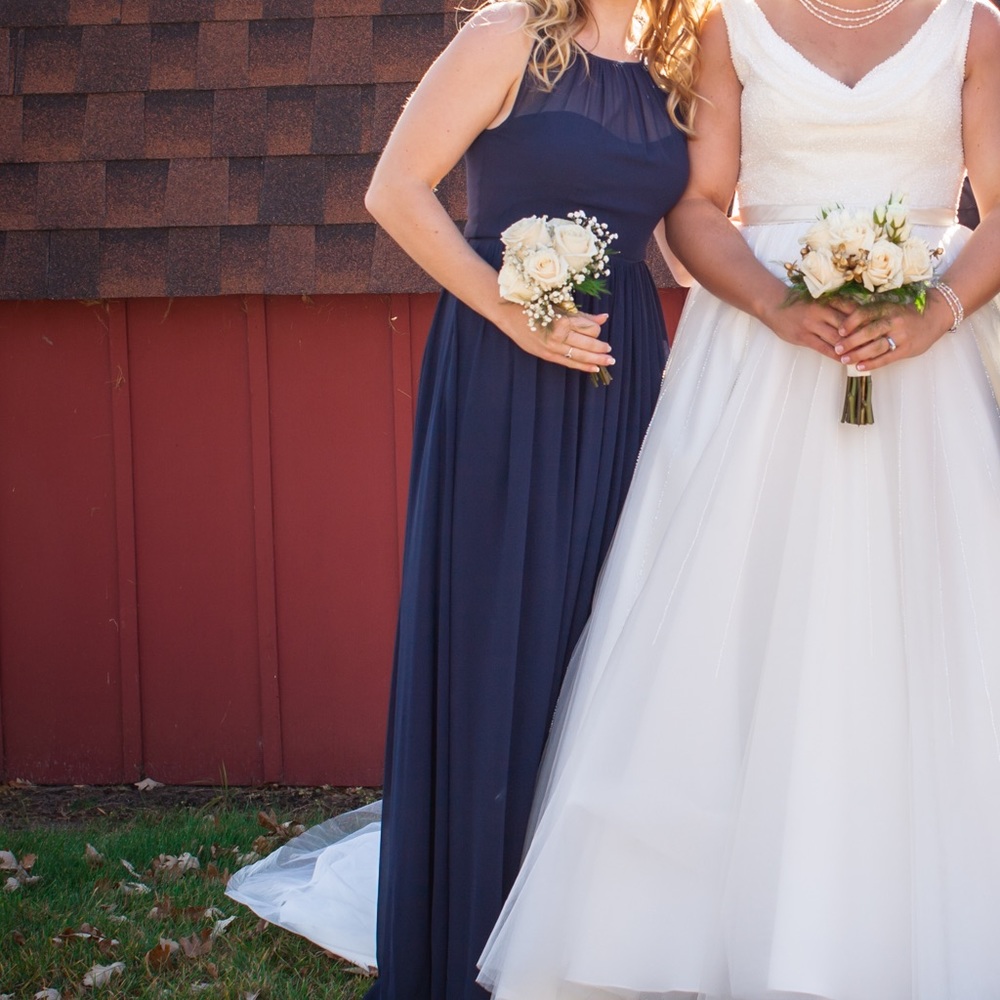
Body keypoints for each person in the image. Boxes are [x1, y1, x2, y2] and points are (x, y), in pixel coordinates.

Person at [476, 0, 1000, 997]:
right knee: (727, 632)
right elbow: (699, 207)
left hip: (921, 361)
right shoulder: (734, 25)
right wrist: (777, 304)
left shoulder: (971, 28)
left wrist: (933, 311)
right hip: (762, 348)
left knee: (924, 632)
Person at [227, 0, 701, 997]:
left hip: (621, 386)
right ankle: (464, 929)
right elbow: (394, 190)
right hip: (504, 374)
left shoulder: (675, 69)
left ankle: (568, 928)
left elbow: (691, 231)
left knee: (598, 642)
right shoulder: (504, 41)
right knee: (498, 636)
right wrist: (513, 311)